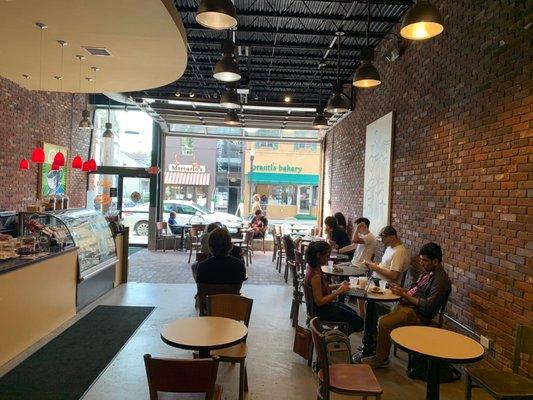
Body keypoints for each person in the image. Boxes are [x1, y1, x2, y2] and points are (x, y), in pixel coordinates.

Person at [361, 243, 451, 368]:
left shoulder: (440, 280)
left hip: (418, 315)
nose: (422, 264)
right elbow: (414, 290)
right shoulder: (427, 273)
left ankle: (381, 358)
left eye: (425, 261)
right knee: (372, 305)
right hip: (407, 306)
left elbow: (428, 305)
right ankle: (372, 344)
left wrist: (404, 295)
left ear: (435, 261)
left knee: (384, 322)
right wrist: (402, 290)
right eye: (421, 260)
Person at [305, 241, 363, 335]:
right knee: (358, 322)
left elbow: (322, 288)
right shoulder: (315, 275)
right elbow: (319, 302)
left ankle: (339, 335)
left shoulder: (314, 268)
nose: (328, 259)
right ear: (319, 255)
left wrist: (339, 285)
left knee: (354, 314)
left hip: (323, 307)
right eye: (327, 256)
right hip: (321, 311)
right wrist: (338, 291)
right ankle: (338, 339)